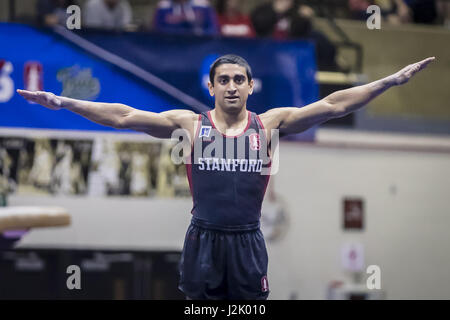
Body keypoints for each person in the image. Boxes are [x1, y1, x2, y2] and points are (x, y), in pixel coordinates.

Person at [17, 54, 435, 299]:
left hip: (247, 241)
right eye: (224, 80)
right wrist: (63, 100)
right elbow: (124, 116)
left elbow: (334, 103)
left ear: (251, 87)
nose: (231, 86)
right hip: (204, 240)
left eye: (239, 80)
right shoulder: (191, 125)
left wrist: (390, 81)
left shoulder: (270, 124)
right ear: (211, 88)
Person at [153, 0, 219, 36]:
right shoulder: (163, 6)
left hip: (199, 46)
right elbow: (156, 30)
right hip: (170, 48)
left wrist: (199, 34)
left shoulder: (203, 5)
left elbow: (213, 29)